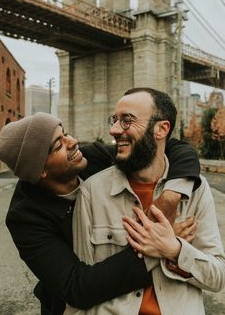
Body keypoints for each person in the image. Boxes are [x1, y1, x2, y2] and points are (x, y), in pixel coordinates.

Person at [0, 111, 200, 315]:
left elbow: (170, 147)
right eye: (58, 145)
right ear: (40, 171)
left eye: (65, 133)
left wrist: (171, 196)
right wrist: (159, 246)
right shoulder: (24, 217)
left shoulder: (93, 157)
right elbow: (77, 287)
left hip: (134, 295)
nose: (73, 141)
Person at [70, 87, 225, 315]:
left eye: (127, 120)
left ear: (161, 129)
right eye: (115, 120)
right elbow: (82, 290)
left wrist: (174, 250)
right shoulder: (92, 192)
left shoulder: (196, 190)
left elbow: (218, 277)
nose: (113, 130)